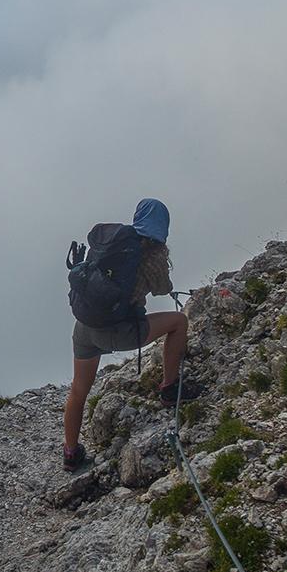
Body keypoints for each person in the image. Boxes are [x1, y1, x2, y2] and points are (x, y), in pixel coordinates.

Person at [62, 198, 204, 471]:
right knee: (179, 322)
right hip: (119, 331)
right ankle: (170, 389)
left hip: (84, 327)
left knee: (78, 391)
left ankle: (70, 453)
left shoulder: (113, 245)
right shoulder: (152, 257)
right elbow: (163, 289)